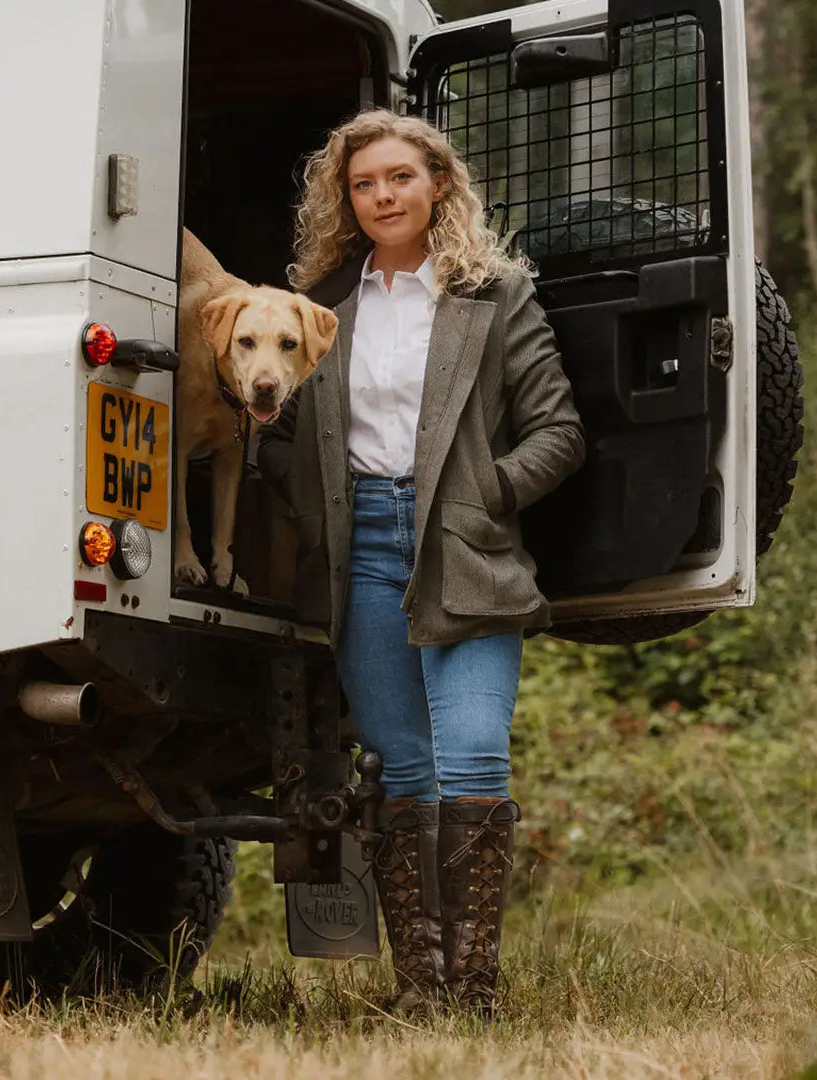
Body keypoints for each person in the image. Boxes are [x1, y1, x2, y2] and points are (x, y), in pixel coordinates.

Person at [258, 109, 585, 1013]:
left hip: (467, 544)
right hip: (360, 545)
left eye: (399, 177)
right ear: (346, 200)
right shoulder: (323, 306)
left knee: (474, 757)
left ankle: (473, 992)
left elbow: (560, 432)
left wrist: (483, 494)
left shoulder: (492, 292)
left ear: (438, 184)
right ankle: (424, 994)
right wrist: (316, 510)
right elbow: (279, 435)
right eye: (363, 184)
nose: (381, 196)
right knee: (403, 766)